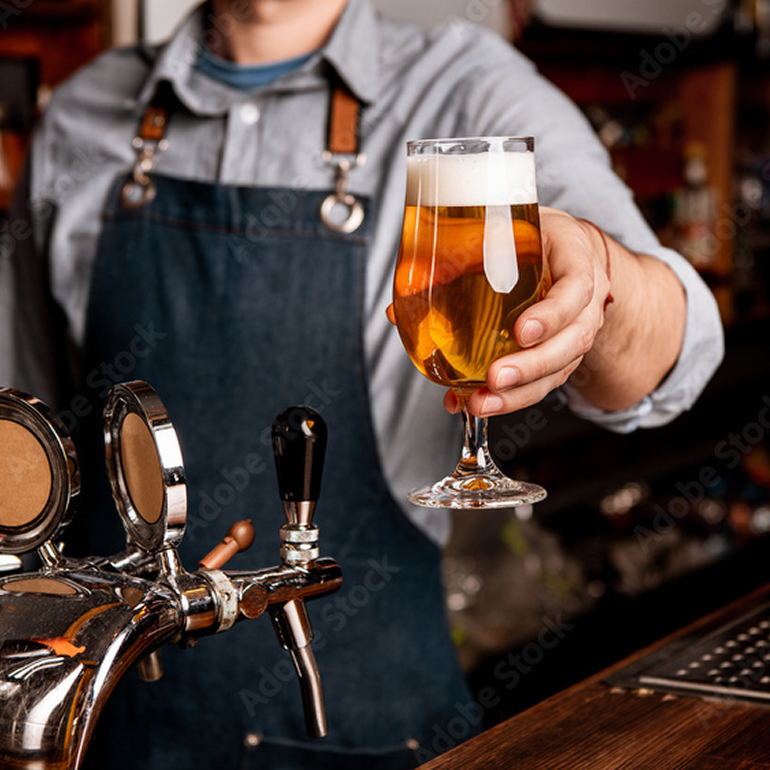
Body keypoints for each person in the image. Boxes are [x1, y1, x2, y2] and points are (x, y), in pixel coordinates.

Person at [0, 0, 723, 767]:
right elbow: (24, 452)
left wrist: (599, 275)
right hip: (103, 732)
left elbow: (673, 351)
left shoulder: (465, 88)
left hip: (367, 729)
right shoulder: (82, 112)